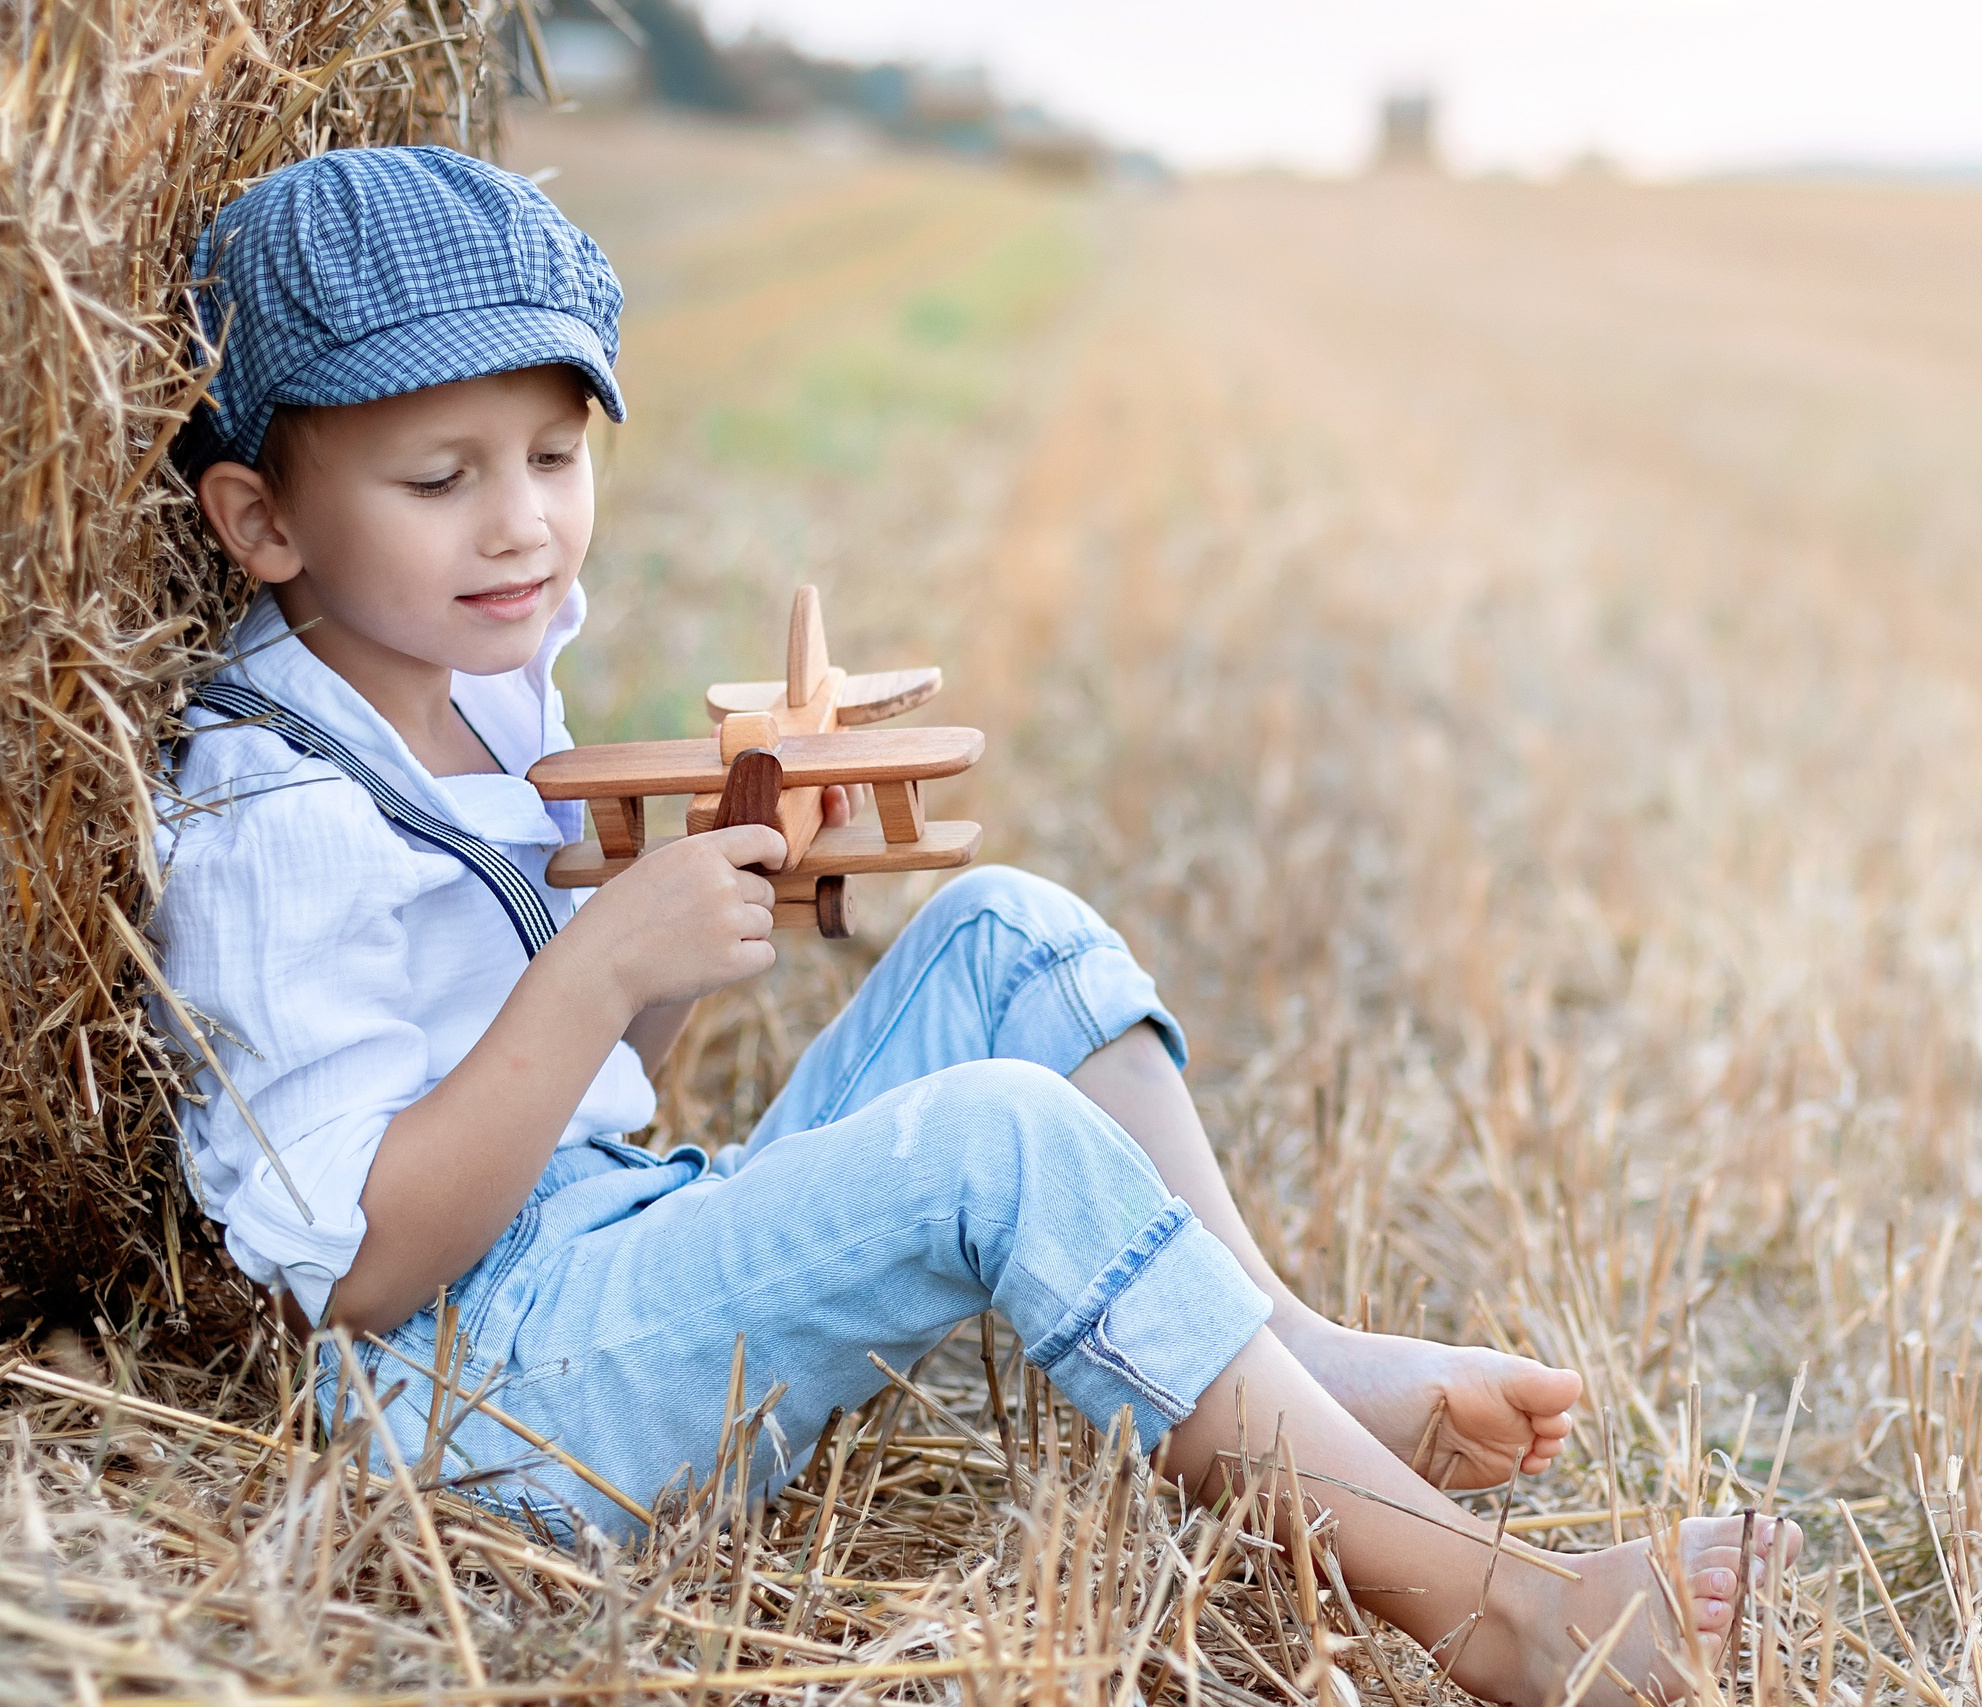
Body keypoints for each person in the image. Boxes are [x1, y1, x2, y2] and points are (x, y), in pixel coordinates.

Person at [154, 146, 1796, 1704]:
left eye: (556, 458)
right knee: (992, 1142)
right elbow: (355, 1276)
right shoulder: (273, 815)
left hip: (600, 1244)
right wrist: (600, 965)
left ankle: (1285, 1350)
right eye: (442, 478)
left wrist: (727, 893)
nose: (519, 522)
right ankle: (1506, 1614)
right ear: (262, 524)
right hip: (483, 1403)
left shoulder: (480, 682)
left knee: (1008, 931)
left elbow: (599, 1089)